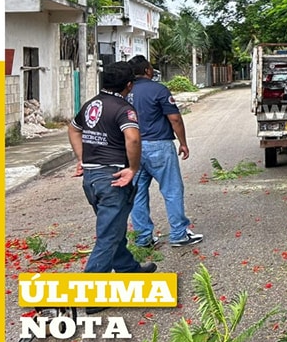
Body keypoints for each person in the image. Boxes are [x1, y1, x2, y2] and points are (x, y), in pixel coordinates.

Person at [68, 61, 156, 280]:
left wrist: (82, 158)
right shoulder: (124, 109)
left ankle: (128, 268)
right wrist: (133, 168)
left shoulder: (90, 105)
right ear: (129, 85)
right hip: (113, 178)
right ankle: (91, 292)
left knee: (113, 228)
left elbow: (73, 128)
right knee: (109, 235)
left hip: (91, 179)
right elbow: (133, 138)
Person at [127, 55, 203, 248]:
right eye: (151, 67)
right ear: (147, 71)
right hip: (158, 146)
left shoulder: (125, 91)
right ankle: (178, 233)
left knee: (137, 193)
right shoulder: (158, 89)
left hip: (132, 148)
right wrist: (183, 143)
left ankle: (143, 238)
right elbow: (175, 118)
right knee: (172, 190)